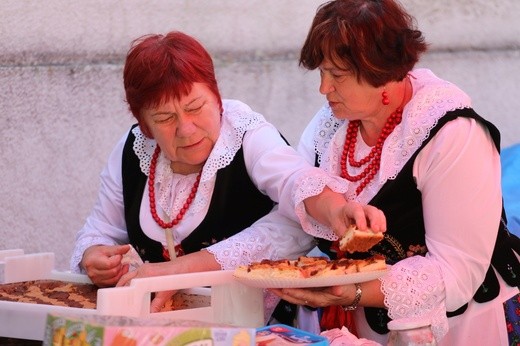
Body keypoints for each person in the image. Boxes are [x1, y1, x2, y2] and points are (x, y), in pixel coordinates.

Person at [70, 31, 386, 319]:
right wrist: (92, 256)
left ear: (217, 96)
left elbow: (294, 182)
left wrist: (335, 209)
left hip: (253, 327)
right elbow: (100, 229)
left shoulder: (245, 134)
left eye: (195, 107)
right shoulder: (131, 151)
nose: (186, 129)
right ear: (145, 125)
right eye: (165, 118)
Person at [270, 0, 520, 345]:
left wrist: (352, 290)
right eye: (322, 72)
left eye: (337, 75)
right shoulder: (330, 126)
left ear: (380, 73)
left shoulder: (452, 135)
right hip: (362, 325)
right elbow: (296, 198)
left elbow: (457, 272)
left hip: (458, 326)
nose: (323, 88)